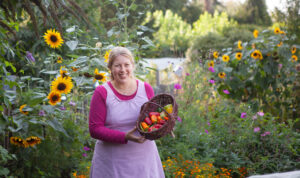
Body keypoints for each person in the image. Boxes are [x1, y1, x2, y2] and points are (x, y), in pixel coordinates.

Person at [89, 46, 165, 178]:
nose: (123, 70)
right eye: (118, 65)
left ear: (132, 66)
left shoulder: (145, 89)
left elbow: (154, 119)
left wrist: (163, 124)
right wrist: (124, 137)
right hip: (111, 163)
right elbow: (95, 129)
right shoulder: (102, 92)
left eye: (126, 65)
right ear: (111, 68)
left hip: (144, 160)